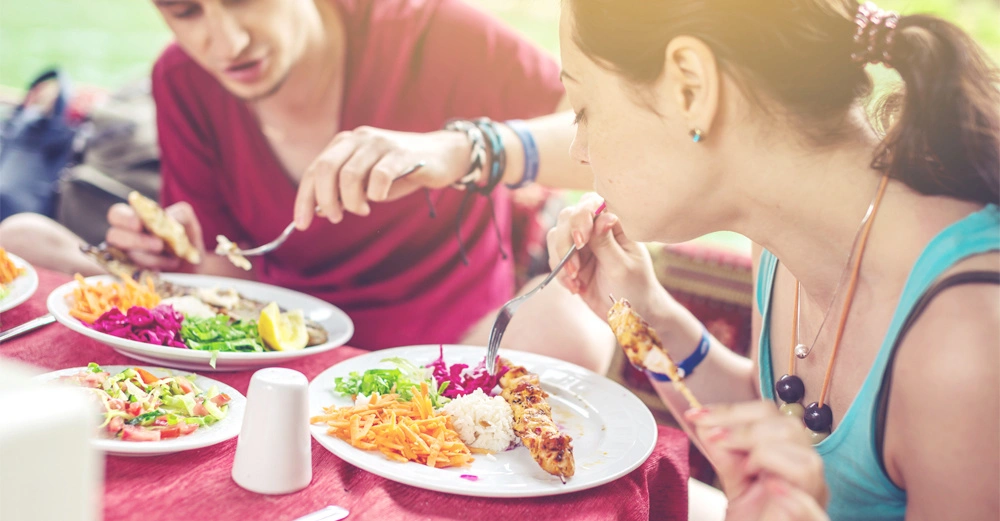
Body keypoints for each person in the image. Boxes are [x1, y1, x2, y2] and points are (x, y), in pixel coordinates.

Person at [548, 0, 998, 520]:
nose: (579, 150)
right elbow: (778, 424)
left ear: (691, 87)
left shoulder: (965, 343)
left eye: (583, 109)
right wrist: (647, 315)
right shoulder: (784, 233)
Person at [0, 0, 616, 372]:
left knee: (573, 331)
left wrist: (460, 149)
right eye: (185, 11)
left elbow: (615, 140)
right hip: (276, 347)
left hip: (450, 351)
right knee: (22, 237)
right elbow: (227, 272)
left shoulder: (429, 31)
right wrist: (178, 257)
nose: (227, 43)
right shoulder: (184, 79)